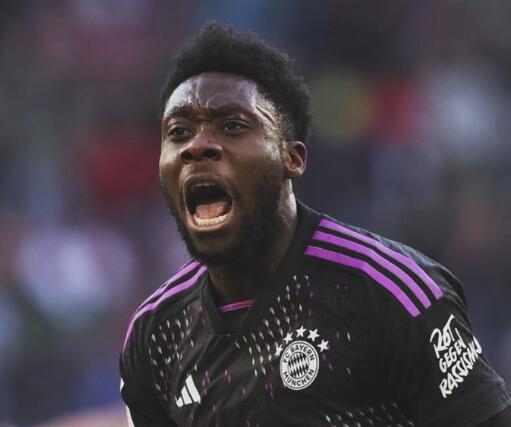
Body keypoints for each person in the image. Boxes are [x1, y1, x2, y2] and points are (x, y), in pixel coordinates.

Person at [119, 22, 511, 426]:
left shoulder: (390, 292)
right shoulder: (155, 336)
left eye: (232, 126)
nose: (197, 146)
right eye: (179, 132)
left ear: (292, 159)